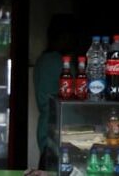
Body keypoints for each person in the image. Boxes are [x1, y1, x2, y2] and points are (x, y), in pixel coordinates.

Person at [33, 13, 77, 170]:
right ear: (65, 37)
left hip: (46, 129)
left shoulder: (43, 60)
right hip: (57, 129)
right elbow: (75, 94)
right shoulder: (58, 62)